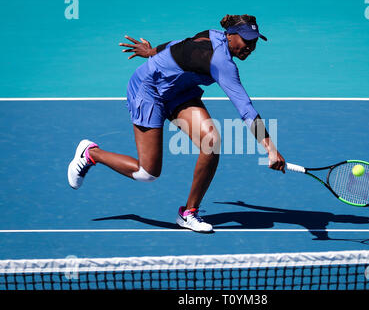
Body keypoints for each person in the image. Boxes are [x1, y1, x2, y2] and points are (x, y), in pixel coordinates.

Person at [67, 14, 286, 233]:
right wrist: (271, 149)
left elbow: (178, 46)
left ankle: (189, 213)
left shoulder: (212, 36)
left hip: (179, 91)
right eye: (246, 40)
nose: (250, 46)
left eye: (254, 41)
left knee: (211, 143)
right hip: (148, 90)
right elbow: (245, 108)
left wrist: (152, 52)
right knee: (147, 173)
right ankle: (91, 154)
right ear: (230, 36)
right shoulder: (222, 62)